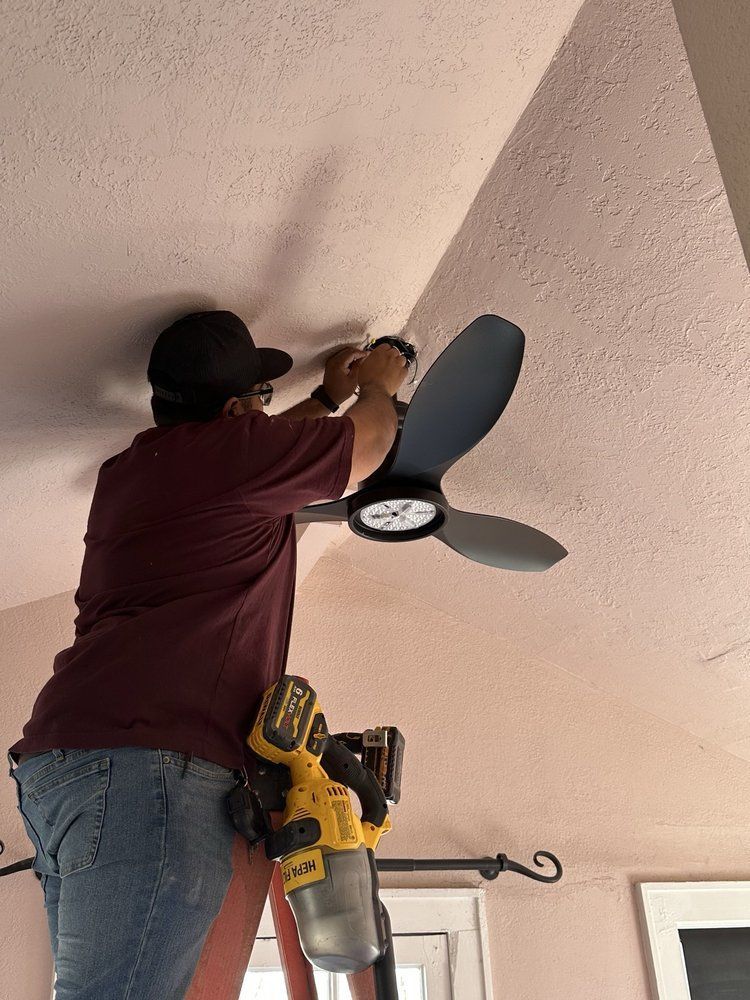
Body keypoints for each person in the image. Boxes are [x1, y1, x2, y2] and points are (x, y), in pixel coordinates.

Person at [6, 310, 408, 999]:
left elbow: (255, 447)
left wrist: (325, 400)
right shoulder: (232, 458)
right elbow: (367, 448)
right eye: (260, 401)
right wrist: (377, 385)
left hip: (69, 764)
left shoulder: (133, 470)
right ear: (235, 411)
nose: (264, 413)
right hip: (148, 765)